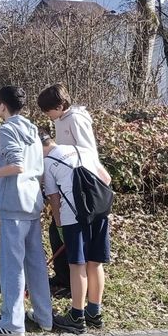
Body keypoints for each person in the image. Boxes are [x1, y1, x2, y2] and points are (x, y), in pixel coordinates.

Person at [0, 86, 53, 336]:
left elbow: (16, 165)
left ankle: (13, 323)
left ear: (2, 105)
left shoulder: (7, 129)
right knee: (36, 262)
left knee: (12, 266)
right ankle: (44, 316)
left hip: (14, 204)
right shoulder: (33, 129)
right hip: (32, 202)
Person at [37, 84, 104, 297]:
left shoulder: (76, 119)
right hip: (64, 178)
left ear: (59, 105)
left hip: (80, 184)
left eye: (48, 110)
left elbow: (87, 151)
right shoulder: (61, 119)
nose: (47, 115)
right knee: (56, 233)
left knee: (75, 246)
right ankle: (62, 276)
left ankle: (71, 283)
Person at [42, 134, 112, 334]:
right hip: (100, 213)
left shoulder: (49, 162)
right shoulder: (83, 150)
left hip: (74, 217)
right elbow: (106, 178)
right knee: (95, 262)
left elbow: (53, 197)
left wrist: (59, 225)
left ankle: (76, 315)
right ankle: (94, 313)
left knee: (77, 265)